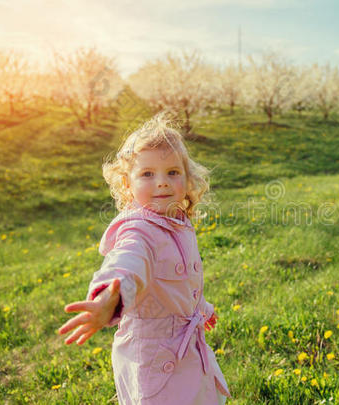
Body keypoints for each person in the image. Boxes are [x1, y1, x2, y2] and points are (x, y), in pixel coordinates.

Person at [57, 114, 231, 405]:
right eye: (148, 174)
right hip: (154, 360)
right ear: (127, 184)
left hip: (186, 351)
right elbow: (128, 262)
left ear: (188, 180)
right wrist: (108, 298)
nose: (162, 183)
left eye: (173, 172)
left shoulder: (178, 223)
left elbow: (178, 285)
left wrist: (201, 307)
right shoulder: (137, 230)